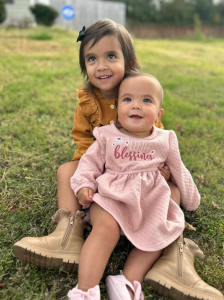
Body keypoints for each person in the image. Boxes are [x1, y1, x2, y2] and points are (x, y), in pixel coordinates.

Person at [68, 72, 224, 300]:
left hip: (149, 203)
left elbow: (180, 170)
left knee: (158, 234)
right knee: (106, 228)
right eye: (128, 99)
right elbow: (88, 163)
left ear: (159, 114)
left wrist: (192, 201)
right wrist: (83, 185)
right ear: (118, 106)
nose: (136, 106)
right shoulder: (106, 135)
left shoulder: (165, 138)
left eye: (146, 100)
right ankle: (86, 289)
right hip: (112, 200)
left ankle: (128, 281)